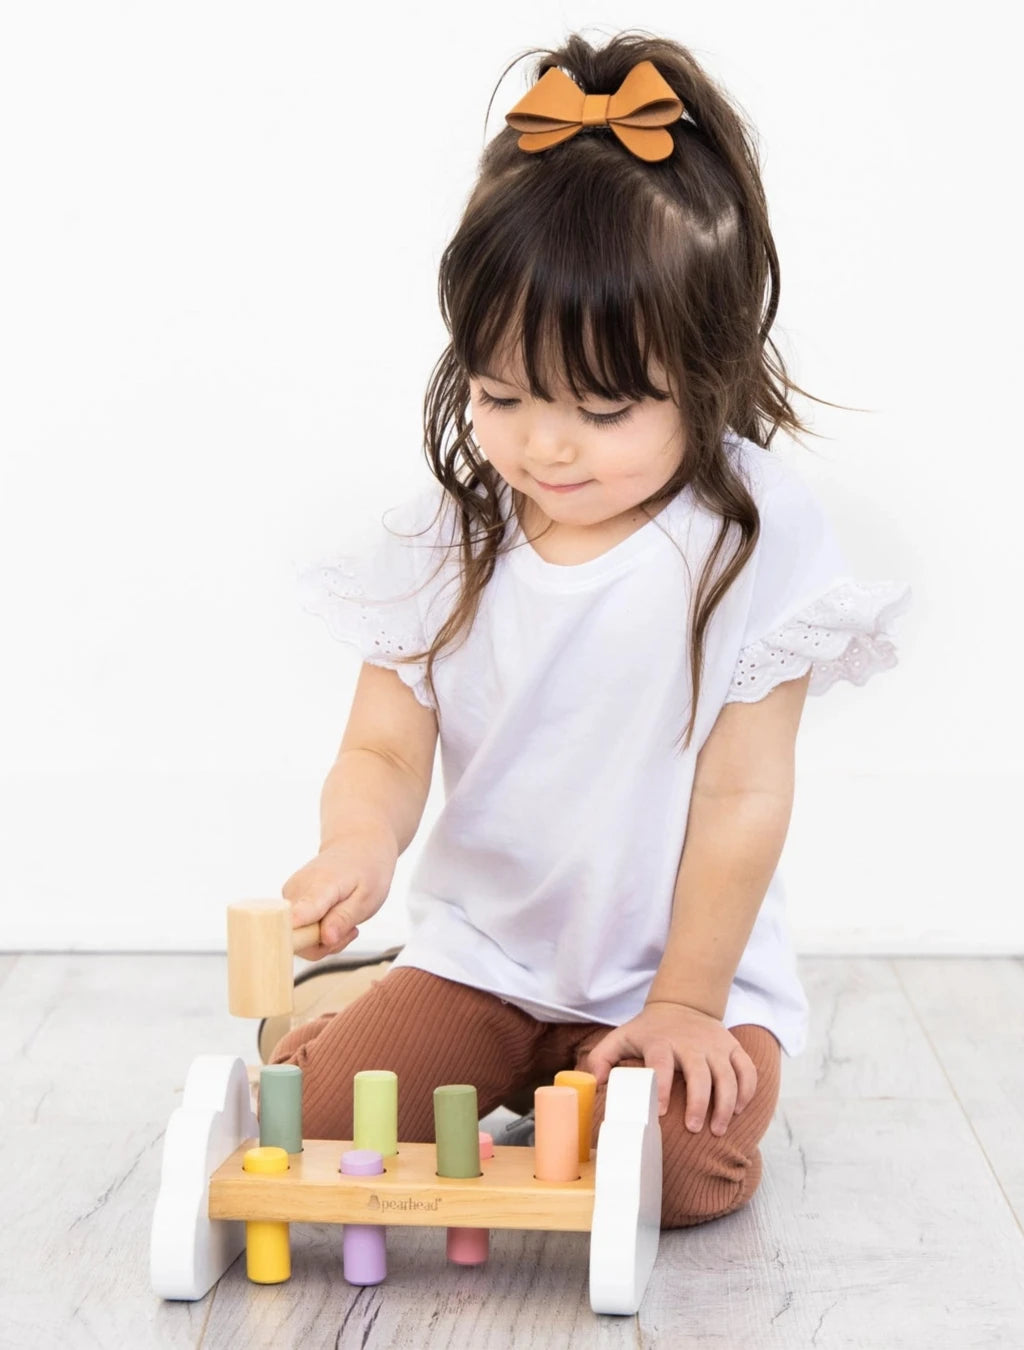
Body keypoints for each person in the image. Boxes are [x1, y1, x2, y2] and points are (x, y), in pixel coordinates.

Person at [267, 31, 913, 1230]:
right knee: (310, 1133)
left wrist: (686, 1003)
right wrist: (359, 844)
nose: (545, 447)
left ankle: (591, 1071)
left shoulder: (752, 542)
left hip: (674, 973)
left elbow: (741, 796)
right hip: (485, 960)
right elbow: (386, 750)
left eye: (603, 409)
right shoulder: (444, 542)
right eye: (502, 396)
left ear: (707, 372)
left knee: (668, 1174)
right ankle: (401, 1020)